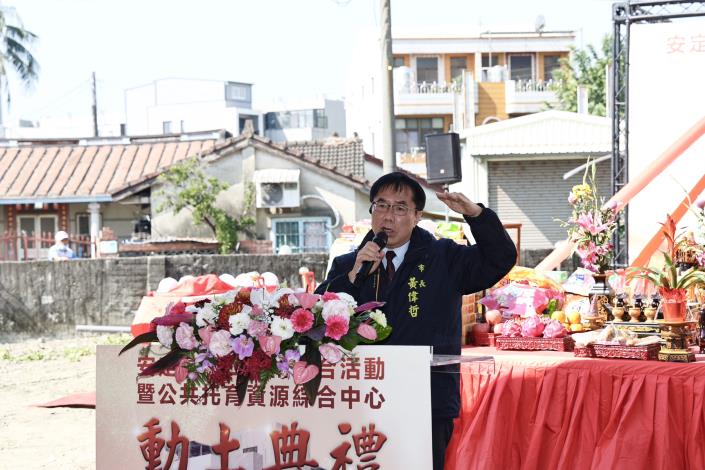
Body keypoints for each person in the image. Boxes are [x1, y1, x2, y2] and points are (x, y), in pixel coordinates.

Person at [315, 172, 516, 470]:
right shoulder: (349, 264)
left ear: (417, 216)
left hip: (427, 401)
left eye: (400, 208)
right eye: (381, 205)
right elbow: (317, 320)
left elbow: (500, 259)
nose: (388, 216)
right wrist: (354, 277)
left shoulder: (444, 257)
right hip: (361, 400)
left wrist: (476, 215)